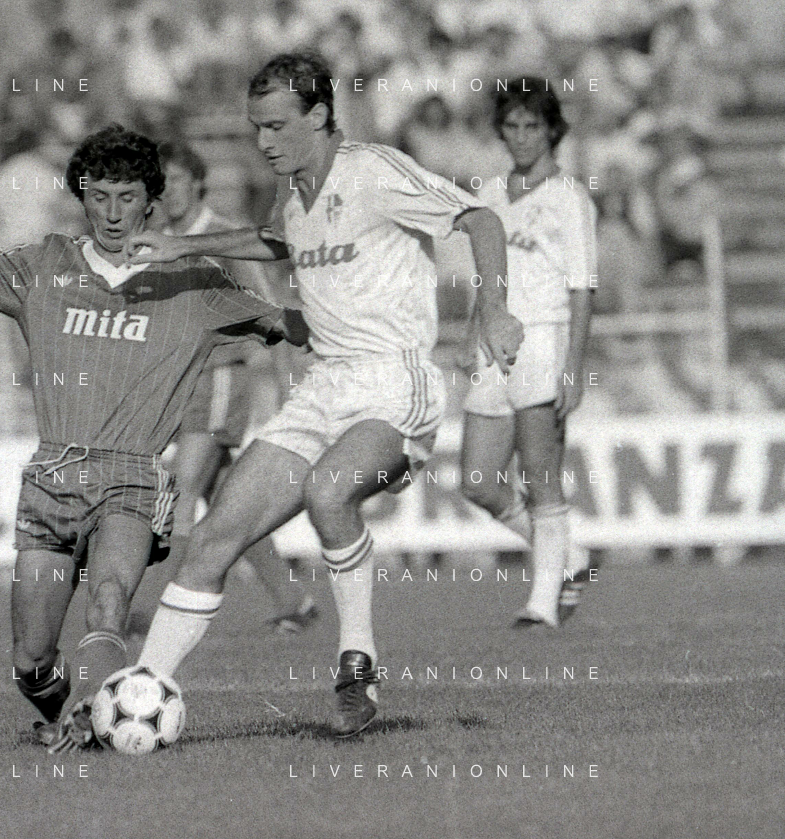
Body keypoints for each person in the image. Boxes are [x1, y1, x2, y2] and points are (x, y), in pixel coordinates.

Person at [0, 125, 307, 751]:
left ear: (151, 200)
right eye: (99, 197)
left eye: (128, 197)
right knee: (30, 660)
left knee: (109, 600)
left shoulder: (194, 283)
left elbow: (292, 324)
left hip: (132, 477)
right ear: (81, 196)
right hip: (53, 479)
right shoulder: (44, 265)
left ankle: (92, 713)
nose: (113, 213)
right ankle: (66, 705)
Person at [125, 53, 523, 737]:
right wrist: (178, 248)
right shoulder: (293, 192)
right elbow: (273, 240)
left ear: (318, 116)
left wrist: (491, 310)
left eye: (277, 126)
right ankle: (142, 689)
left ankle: (356, 662)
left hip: (393, 382)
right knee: (214, 536)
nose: (263, 141)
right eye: (256, 127)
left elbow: (480, 220)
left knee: (328, 491)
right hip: (323, 387)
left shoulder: (373, 171)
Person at [151, 140, 317, 634]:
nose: (168, 191)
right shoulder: (158, 242)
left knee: (179, 492)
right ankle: (293, 601)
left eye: (177, 180)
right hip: (180, 385)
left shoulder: (223, 237)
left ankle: (149, 615)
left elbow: (274, 309)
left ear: (197, 183)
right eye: (161, 183)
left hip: (222, 377)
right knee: (227, 503)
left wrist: (287, 385)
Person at [459, 81, 597, 628]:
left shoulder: (570, 197)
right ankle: (571, 556)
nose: (520, 137)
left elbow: (582, 288)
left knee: (541, 475)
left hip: (544, 336)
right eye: (511, 126)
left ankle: (543, 605)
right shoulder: (490, 193)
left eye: (532, 126)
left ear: (552, 130)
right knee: (477, 481)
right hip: (495, 341)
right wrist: (472, 330)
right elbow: (485, 273)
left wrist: (574, 367)